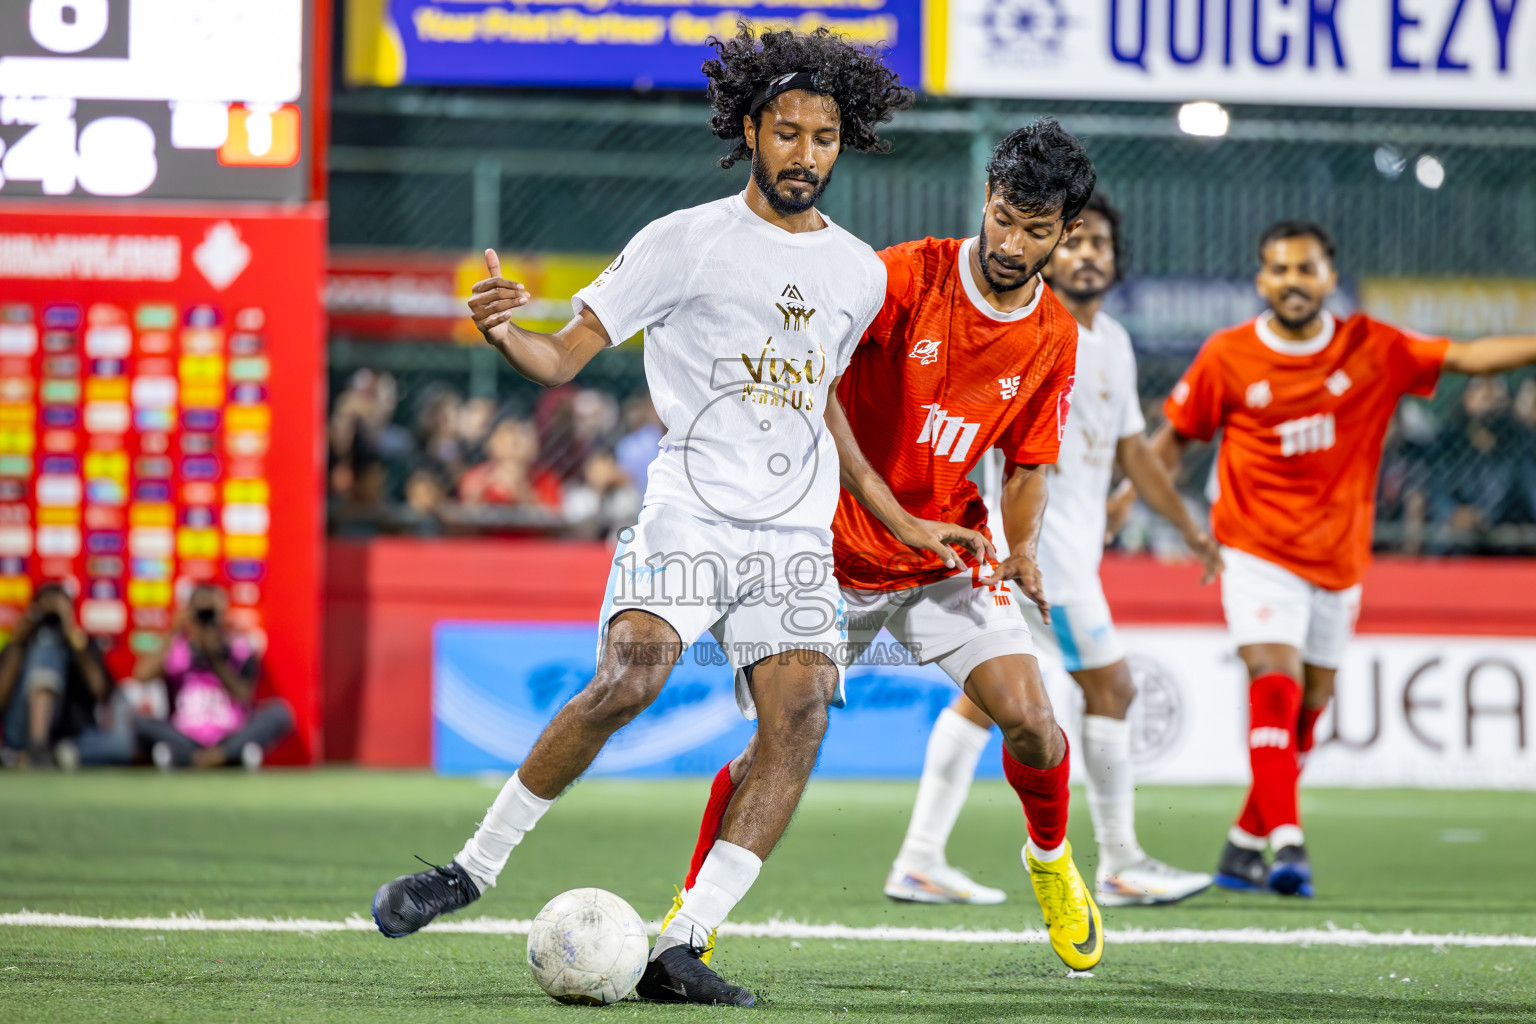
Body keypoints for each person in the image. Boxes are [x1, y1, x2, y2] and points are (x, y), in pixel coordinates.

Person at [367, 25, 980, 1007]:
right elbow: (563, 355)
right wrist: (504, 332)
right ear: (751, 130)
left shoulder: (860, 273)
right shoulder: (680, 240)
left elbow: (819, 400)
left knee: (803, 713)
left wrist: (895, 517)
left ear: (842, 143)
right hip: (691, 512)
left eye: (824, 137)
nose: (806, 154)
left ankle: (683, 942)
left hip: (791, 534)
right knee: (630, 676)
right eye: (787, 132)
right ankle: (470, 869)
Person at [663, 119, 1108, 973]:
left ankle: (1050, 862)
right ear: (986, 198)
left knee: (1037, 728)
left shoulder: (1055, 335)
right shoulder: (901, 277)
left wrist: (1024, 550)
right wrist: (870, 506)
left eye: (1037, 230)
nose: (1013, 243)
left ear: (1068, 232)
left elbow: (1028, 464)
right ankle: (692, 919)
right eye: (1005, 217)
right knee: (772, 749)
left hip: (944, 554)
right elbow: (814, 385)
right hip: (821, 551)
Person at [1153, 220, 1536, 897]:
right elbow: (1173, 441)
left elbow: (1471, 360)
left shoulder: (1373, 347)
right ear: (1260, 280)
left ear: (1331, 277)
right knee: (1275, 682)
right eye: (1278, 269)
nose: (1292, 281)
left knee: (1308, 713)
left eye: (1305, 269)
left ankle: (1244, 842)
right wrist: (1138, 503)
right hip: (1254, 548)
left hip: (1337, 561)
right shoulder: (1228, 355)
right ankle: (1287, 843)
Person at [889, 191, 1222, 910]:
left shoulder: (1115, 342)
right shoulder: (1035, 327)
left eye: (1100, 243)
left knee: (993, 705)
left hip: (1065, 552)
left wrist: (1186, 526)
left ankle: (918, 858)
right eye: (1074, 242)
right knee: (1111, 688)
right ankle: (1121, 861)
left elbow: (1133, 451)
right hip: (1042, 557)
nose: (1088, 254)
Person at [132, 584, 293, 770]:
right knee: (139, 722)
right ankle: (224, 758)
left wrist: (215, 658)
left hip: (230, 733)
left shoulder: (238, 648)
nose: (207, 619)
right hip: (186, 734)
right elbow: (141, 675)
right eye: (201, 612)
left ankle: (213, 756)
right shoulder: (178, 649)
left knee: (279, 713)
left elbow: (243, 694)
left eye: (212, 612)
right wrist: (174, 631)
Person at [0, 583, 112, 768]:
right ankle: (38, 748)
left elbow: (99, 690)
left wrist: (70, 631)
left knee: (120, 743)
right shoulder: (21, 644)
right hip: (20, 731)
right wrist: (20, 640)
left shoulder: (81, 643)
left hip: (70, 736)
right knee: (46, 645)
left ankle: (38, 755)